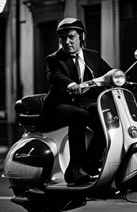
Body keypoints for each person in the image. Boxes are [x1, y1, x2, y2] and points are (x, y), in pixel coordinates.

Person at [39, 18, 112, 186]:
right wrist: (70, 84)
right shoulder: (53, 59)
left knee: (104, 114)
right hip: (58, 106)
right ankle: (75, 171)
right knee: (80, 115)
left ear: (81, 37)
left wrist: (119, 77)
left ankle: (91, 165)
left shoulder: (92, 56)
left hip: (84, 102)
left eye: (71, 37)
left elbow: (108, 72)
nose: (67, 41)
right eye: (63, 38)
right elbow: (54, 75)